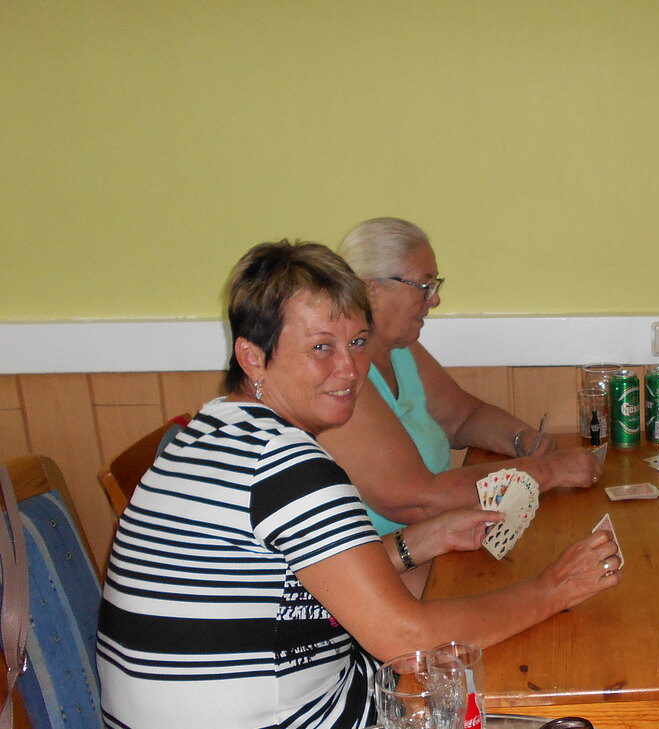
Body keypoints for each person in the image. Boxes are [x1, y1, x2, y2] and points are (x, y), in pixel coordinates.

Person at [97, 241, 622, 729]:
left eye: (357, 342)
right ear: (253, 357)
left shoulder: (211, 430)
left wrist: (422, 540)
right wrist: (552, 589)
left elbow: (290, 581)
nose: (350, 370)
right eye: (321, 347)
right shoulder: (284, 464)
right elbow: (406, 641)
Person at [321, 217, 601, 542]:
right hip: (384, 558)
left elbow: (462, 417)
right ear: (370, 289)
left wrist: (522, 439)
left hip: (438, 541)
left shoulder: (402, 349)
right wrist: (548, 470)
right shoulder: (340, 380)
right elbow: (418, 499)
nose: (434, 299)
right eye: (424, 286)